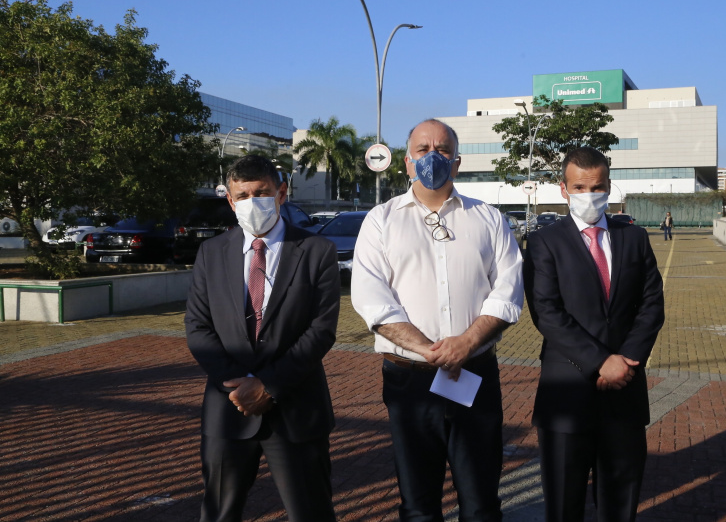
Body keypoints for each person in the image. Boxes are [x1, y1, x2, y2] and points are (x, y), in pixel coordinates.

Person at [351, 119, 524, 521]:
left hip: (474, 374)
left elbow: (509, 290)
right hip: (409, 378)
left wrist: (464, 344)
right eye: (423, 148)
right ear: (407, 162)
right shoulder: (381, 221)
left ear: (457, 162)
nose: (433, 156)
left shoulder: (489, 219)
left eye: (443, 149)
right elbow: (372, 298)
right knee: (418, 504)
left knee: (481, 503)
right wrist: (428, 349)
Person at [185, 155, 340, 522]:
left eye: (262, 193)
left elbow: (321, 329)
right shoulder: (211, 252)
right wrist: (238, 386)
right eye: (243, 195)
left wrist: (268, 385)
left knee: (311, 512)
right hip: (229, 408)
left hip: (296, 408)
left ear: (281, 193)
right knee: (219, 513)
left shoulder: (318, 251)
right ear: (230, 200)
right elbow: (198, 327)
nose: (252, 202)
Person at [523, 147, 665, 522]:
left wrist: (626, 360)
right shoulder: (543, 243)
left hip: (625, 391)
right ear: (564, 188)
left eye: (597, 186)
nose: (590, 194)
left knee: (621, 502)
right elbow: (547, 314)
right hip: (567, 393)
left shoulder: (635, 239)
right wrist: (602, 362)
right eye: (580, 186)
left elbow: (652, 306)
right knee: (564, 504)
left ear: (609, 186)